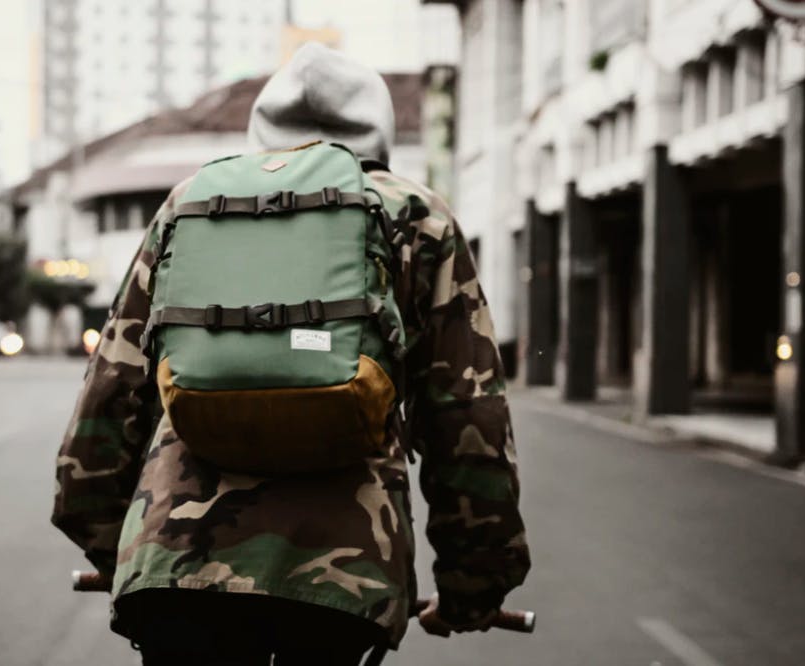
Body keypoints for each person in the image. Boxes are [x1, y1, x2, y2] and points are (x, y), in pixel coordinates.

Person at [52, 42, 529, 665]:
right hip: (342, 583)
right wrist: (474, 586)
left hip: (176, 566)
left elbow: (107, 401)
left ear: (261, 131)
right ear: (379, 130)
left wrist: (114, 547)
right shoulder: (415, 215)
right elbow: (468, 418)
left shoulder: (190, 205)